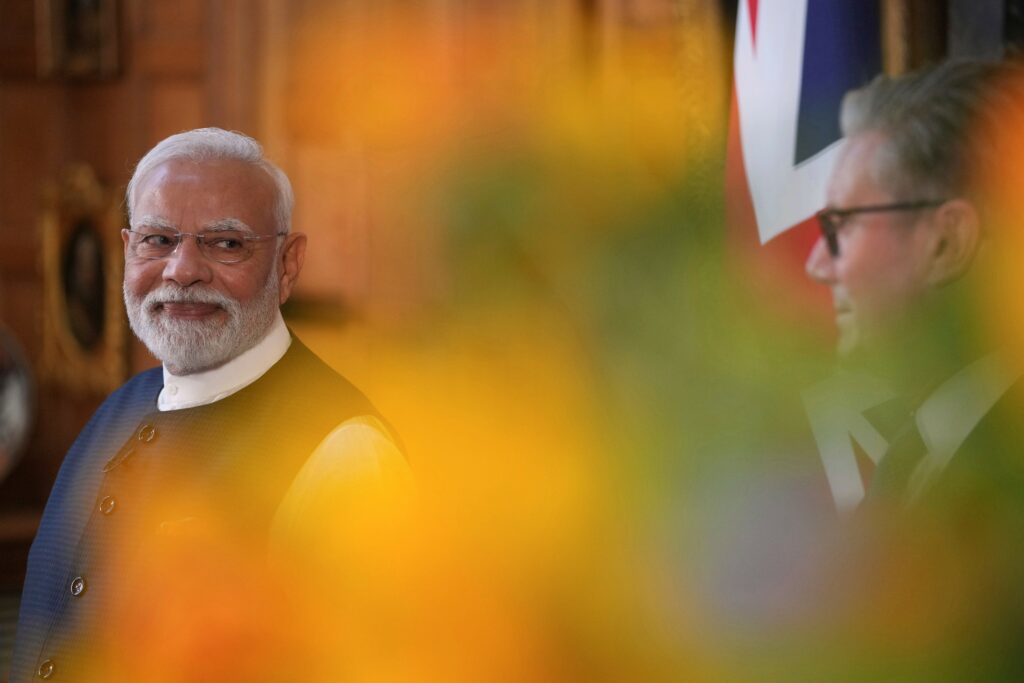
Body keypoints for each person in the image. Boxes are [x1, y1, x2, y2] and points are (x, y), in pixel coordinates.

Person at [9, 128, 409, 682]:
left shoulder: (346, 453)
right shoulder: (115, 411)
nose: (182, 270)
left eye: (226, 243)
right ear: (127, 250)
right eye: (158, 239)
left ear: (288, 264)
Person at [804, 60, 1024, 510]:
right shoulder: (922, 445)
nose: (817, 265)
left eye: (841, 225)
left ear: (947, 242)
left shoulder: (1007, 464)